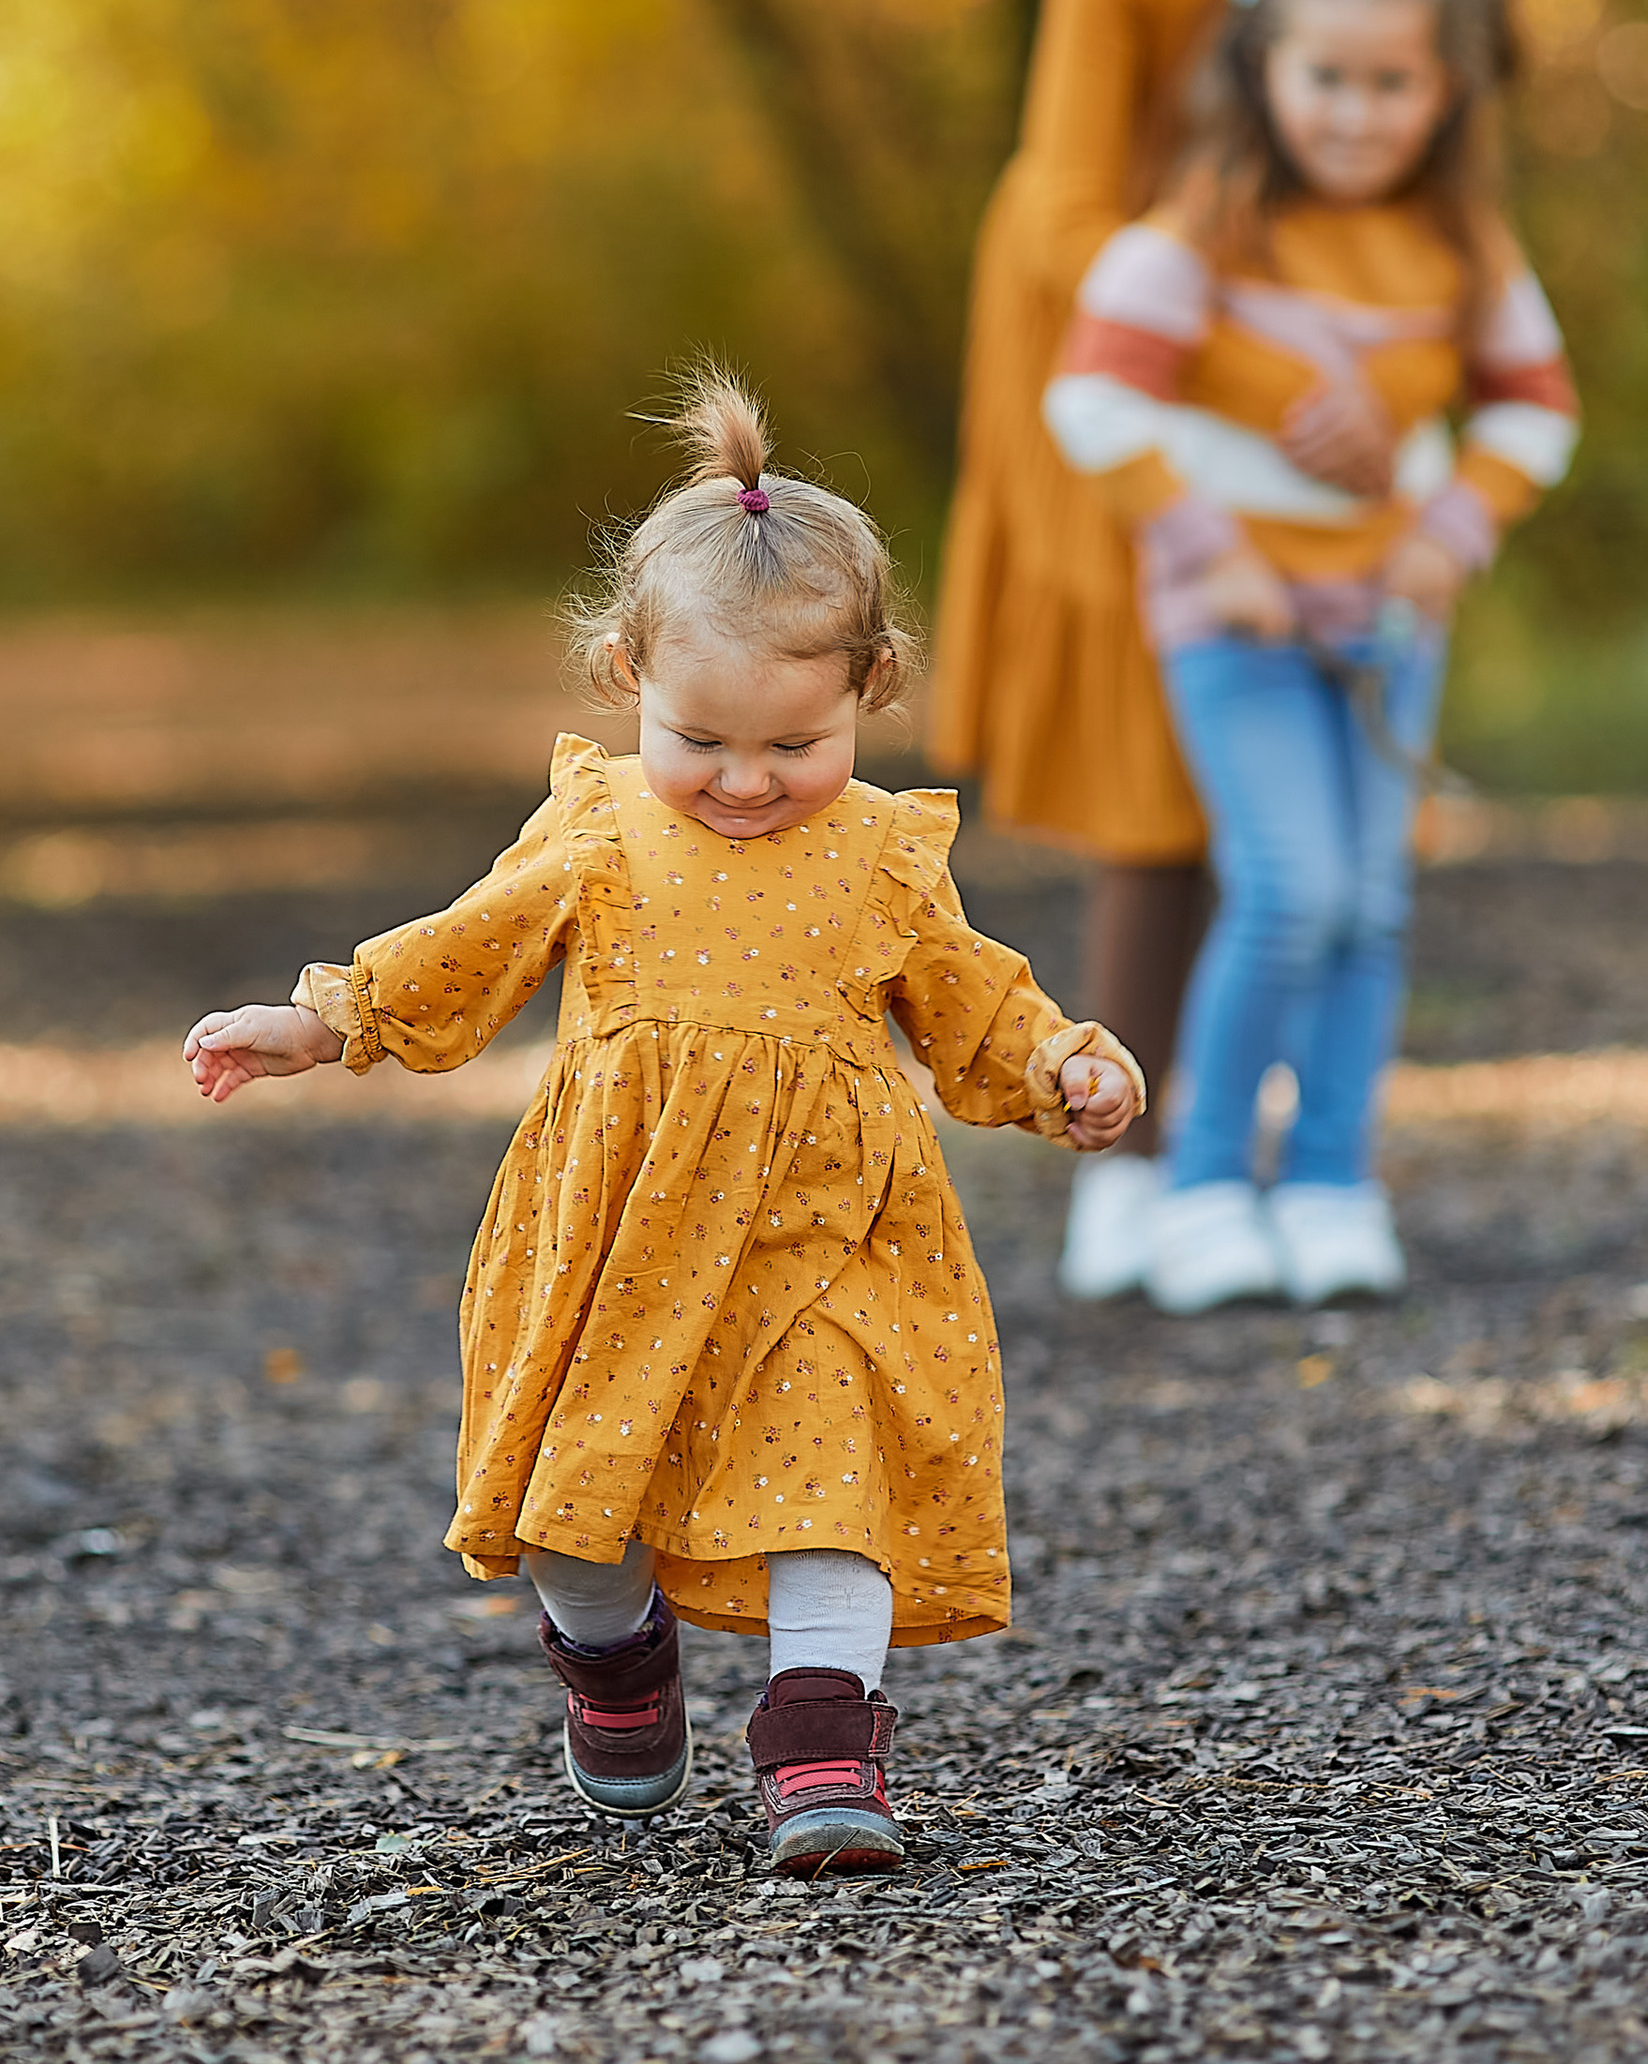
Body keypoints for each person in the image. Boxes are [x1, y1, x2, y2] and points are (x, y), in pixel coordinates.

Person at [183, 376, 1145, 1875]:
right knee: (586, 1507)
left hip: (829, 1238)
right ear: (624, 671)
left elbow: (973, 1002)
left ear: (871, 689)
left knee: (835, 1477)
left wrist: (1064, 1067)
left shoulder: (889, 854)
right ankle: (615, 1656)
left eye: (795, 746)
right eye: (703, 741)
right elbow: (469, 944)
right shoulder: (602, 826)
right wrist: (324, 1021)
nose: (749, 784)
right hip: (620, 1231)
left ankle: (825, 1758)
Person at [931, 0, 1507, 1300]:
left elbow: (1464, 208)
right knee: (1155, 768)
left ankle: (1298, 1168)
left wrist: (1401, 406)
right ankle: (1135, 1164)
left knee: (1308, 792)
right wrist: (1261, 375)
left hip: (1352, 410)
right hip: (1116, 365)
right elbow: (1062, 197)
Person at [1043, 0, 1576, 1314]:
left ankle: (1334, 1180)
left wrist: (1452, 529)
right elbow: (1093, 398)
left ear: (1443, 90)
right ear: (1266, 70)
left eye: (1391, 84)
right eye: (1326, 78)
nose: (1356, 112)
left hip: (1389, 615)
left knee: (1377, 907)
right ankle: (1206, 1183)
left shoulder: (1457, 241)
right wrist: (1206, 549)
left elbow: (1537, 406)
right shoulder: (1206, 226)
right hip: (1241, 620)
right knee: (1291, 891)